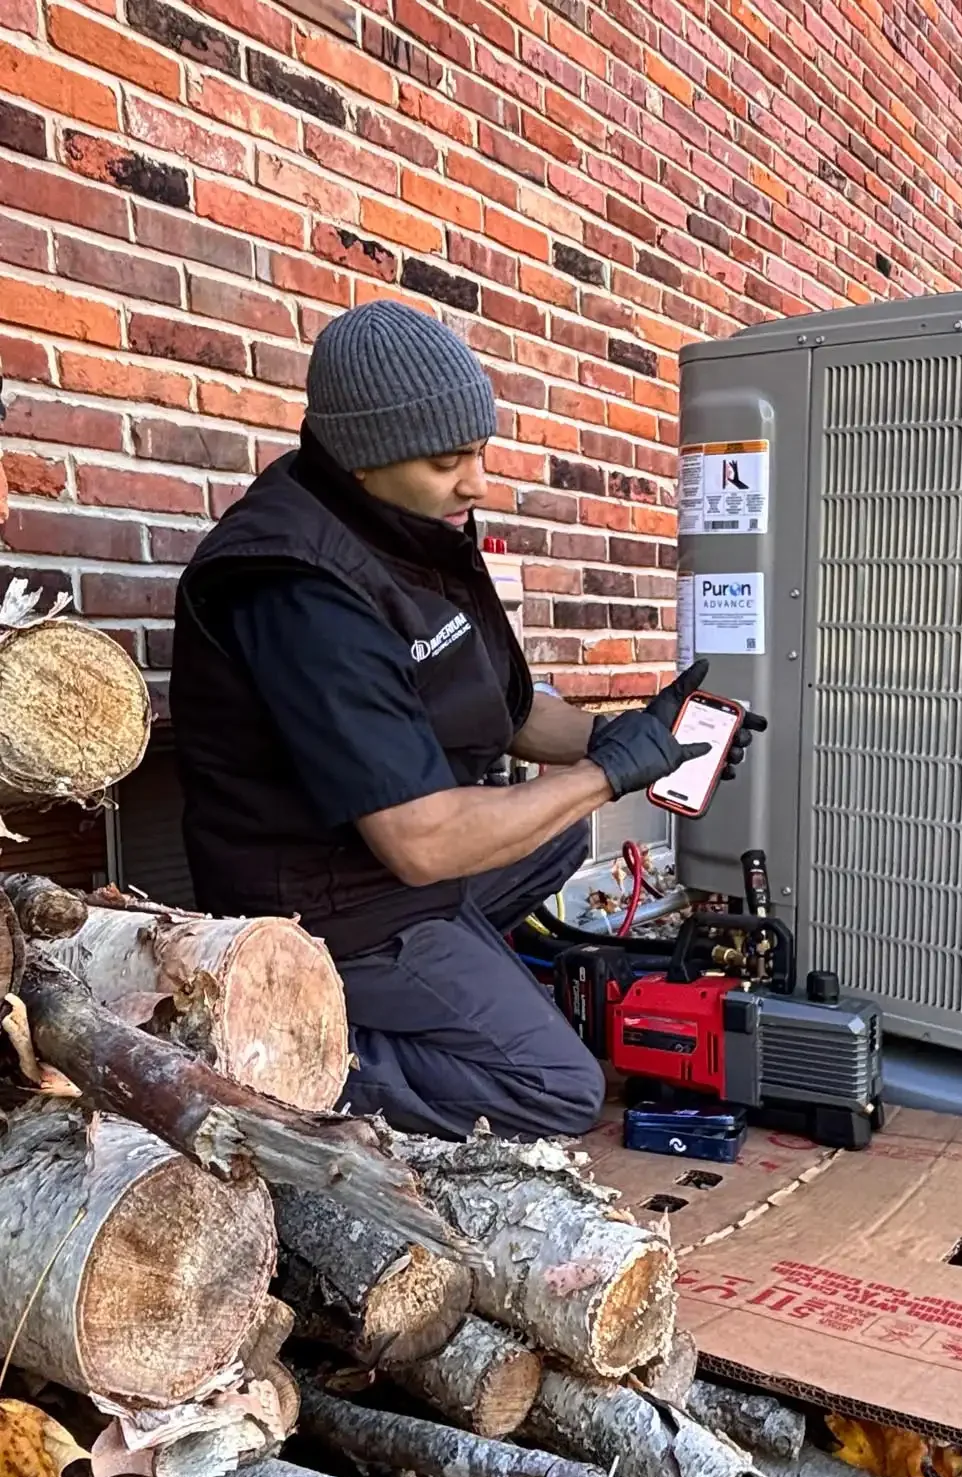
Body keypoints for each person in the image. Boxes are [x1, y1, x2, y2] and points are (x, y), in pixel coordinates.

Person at [170, 301, 759, 1139]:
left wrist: (634, 740)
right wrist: (606, 776)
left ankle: (455, 978)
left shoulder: (403, 525)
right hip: (324, 905)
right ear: (361, 457)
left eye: (479, 451)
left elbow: (508, 712)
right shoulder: (297, 590)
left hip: (395, 872)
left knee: (556, 835)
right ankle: (269, 1044)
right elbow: (425, 843)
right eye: (449, 461)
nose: (477, 483)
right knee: (557, 1088)